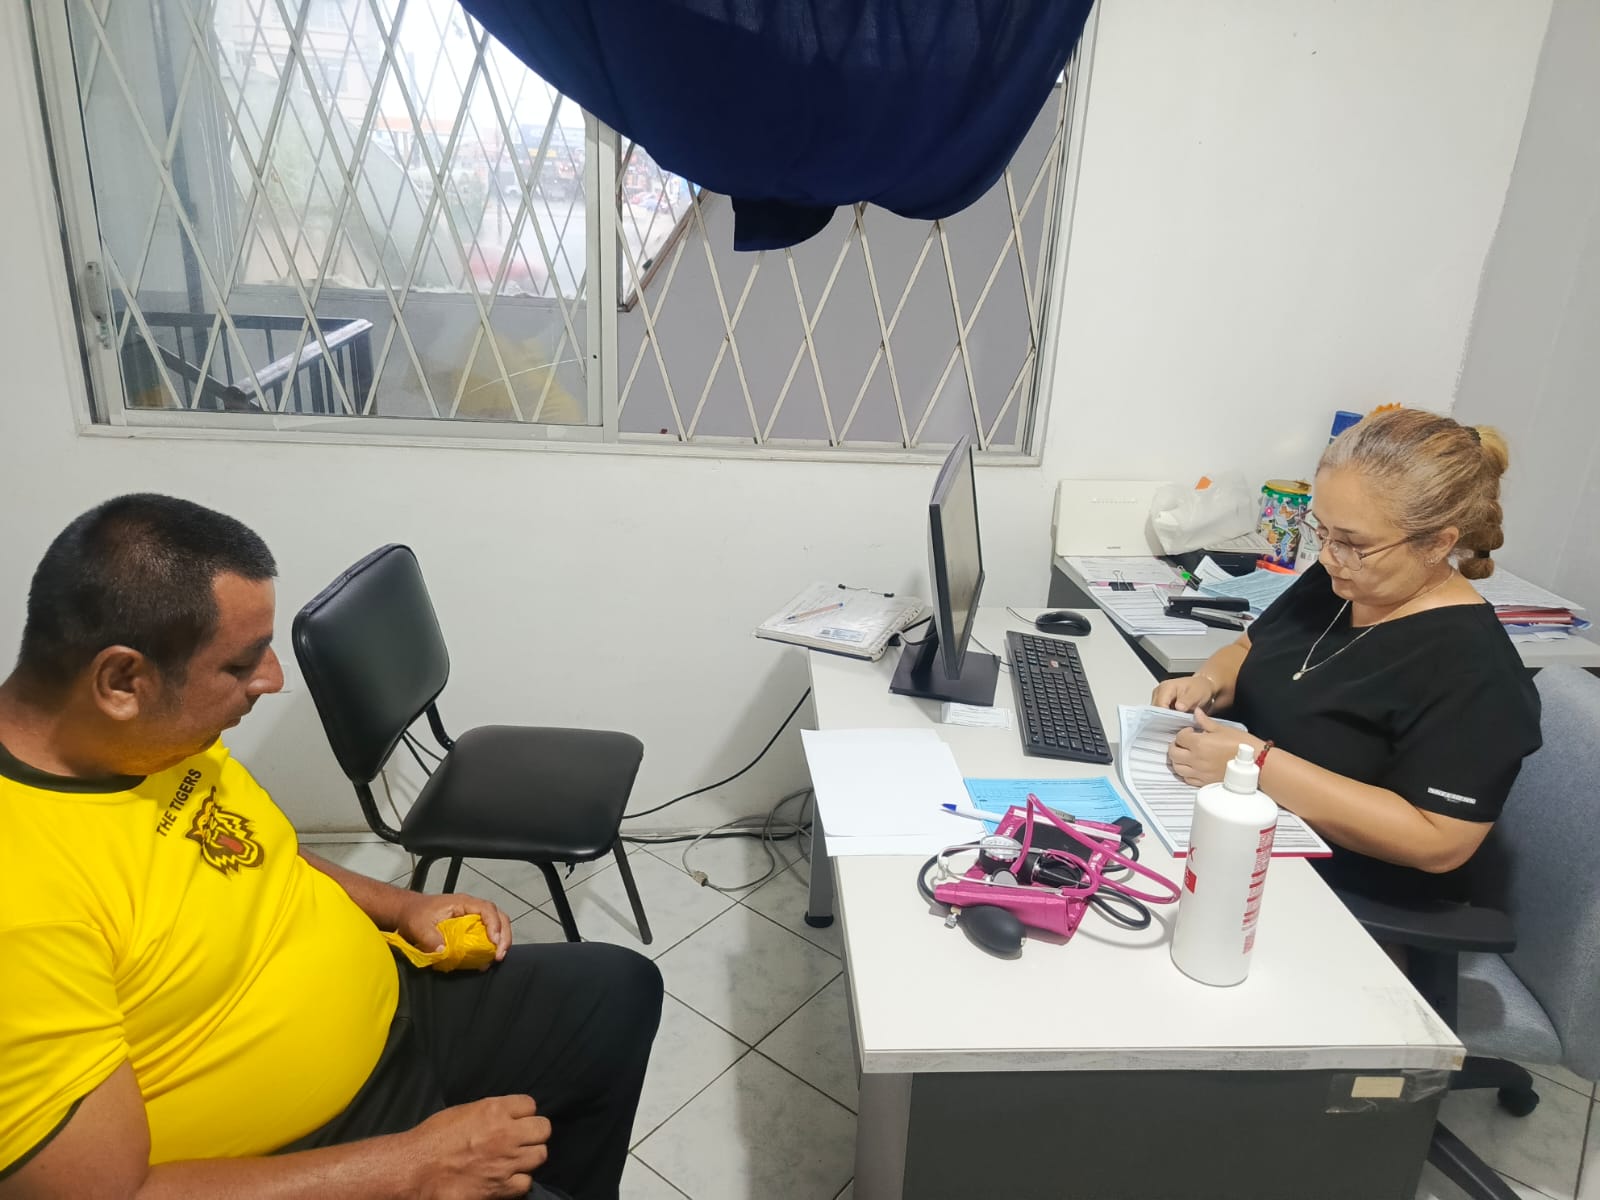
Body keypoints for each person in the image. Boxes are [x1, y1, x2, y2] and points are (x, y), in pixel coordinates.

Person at [0, 495, 662, 1200]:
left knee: (617, 992)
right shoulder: (24, 905)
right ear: (122, 681)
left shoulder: (148, 741)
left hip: (396, 1003)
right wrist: (416, 1167)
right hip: (309, 1147)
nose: (272, 678)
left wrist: (402, 907)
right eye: (240, 664)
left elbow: (260, 850)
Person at [1153, 409, 1542, 904]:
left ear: (1438, 543)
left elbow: (1439, 842)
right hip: (1238, 826)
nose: (1327, 556)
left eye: (1352, 543)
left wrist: (1258, 766)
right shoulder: (1342, 578)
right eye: (1323, 532)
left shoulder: (1475, 668)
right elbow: (1250, 648)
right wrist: (1207, 684)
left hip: (1341, 891)